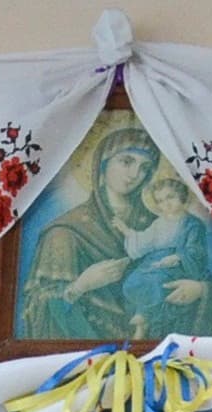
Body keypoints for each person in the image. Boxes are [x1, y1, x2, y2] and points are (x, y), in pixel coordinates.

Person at [16, 118, 164, 343]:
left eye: (144, 168)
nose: (135, 174)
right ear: (103, 165)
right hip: (84, 361)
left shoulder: (157, 226)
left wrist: (200, 290)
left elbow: (189, 269)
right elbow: (38, 304)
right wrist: (81, 285)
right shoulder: (65, 232)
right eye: (126, 161)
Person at [113, 167, 212, 338]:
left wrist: (177, 257)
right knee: (134, 281)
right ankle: (144, 314)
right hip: (155, 262)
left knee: (159, 283)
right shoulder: (159, 223)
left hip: (181, 266)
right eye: (160, 201)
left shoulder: (193, 224)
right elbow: (145, 241)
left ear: (181, 196)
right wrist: (127, 231)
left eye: (170, 197)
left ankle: (145, 318)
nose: (166, 204)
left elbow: (196, 251)